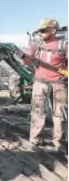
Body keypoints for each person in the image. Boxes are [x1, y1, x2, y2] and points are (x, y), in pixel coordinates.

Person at [17, 18, 68, 151]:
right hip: (40, 83)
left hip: (59, 84)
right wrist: (23, 57)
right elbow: (27, 62)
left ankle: (58, 143)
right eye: (39, 30)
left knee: (60, 114)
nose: (40, 33)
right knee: (37, 111)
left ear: (53, 31)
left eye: (43, 30)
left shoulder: (64, 45)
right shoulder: (36, 44)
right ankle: (35, 139)